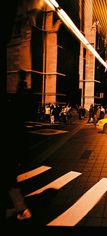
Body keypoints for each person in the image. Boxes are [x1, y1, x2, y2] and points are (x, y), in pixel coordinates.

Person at [2, 69, 32, 223]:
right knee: (10, 183)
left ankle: (22, 210)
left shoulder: (11, 115)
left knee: (10, 183)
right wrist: (23, 81)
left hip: (9, 155)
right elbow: (21, 102)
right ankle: (20, 209)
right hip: (14, 155)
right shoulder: (15, 115)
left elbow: (20, 102)